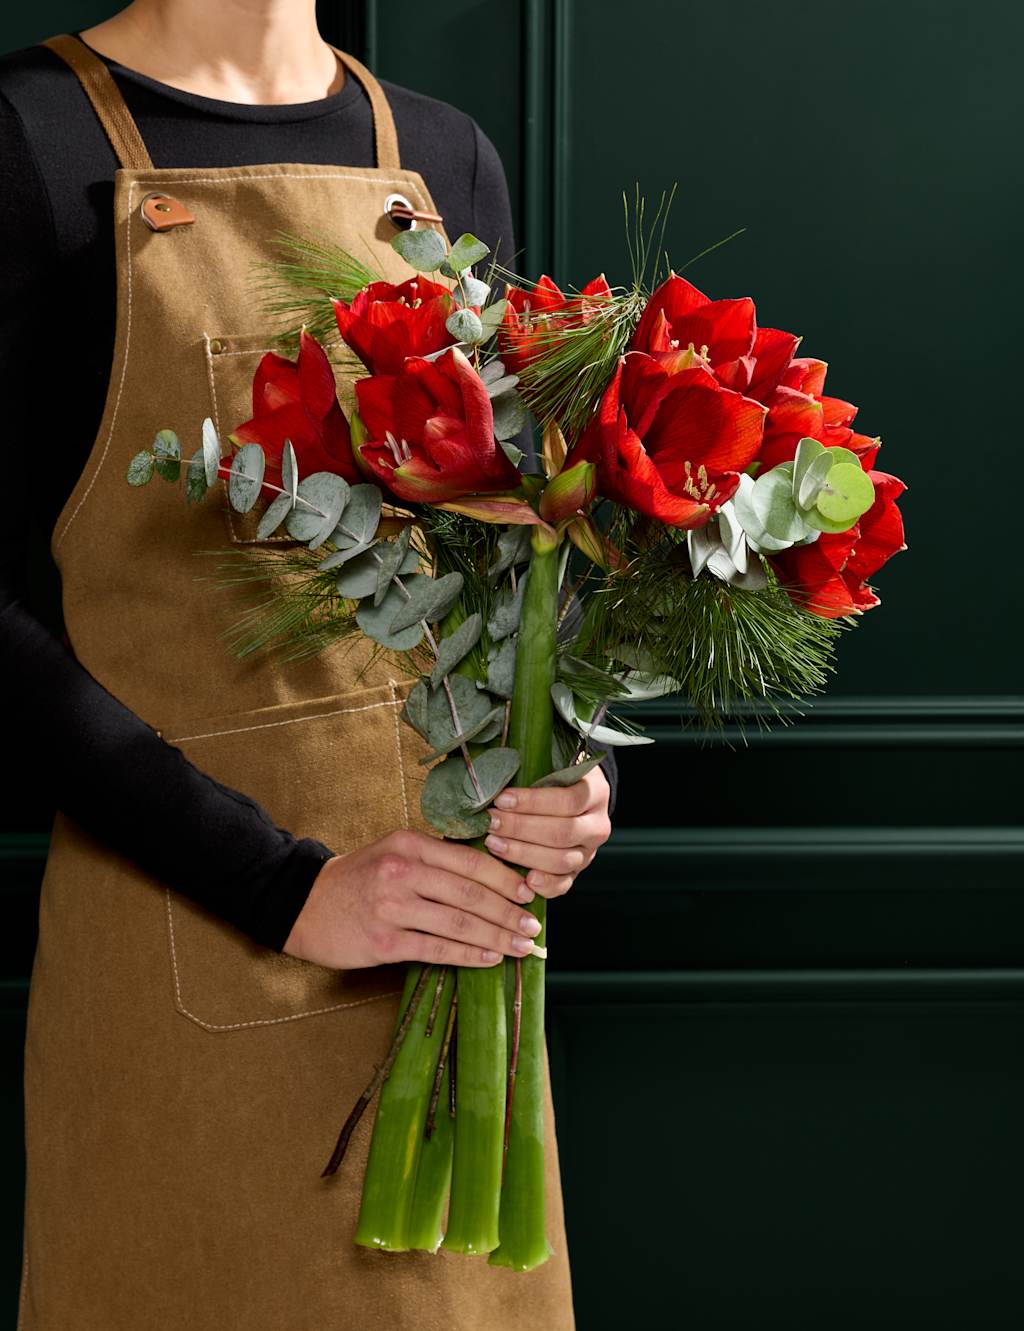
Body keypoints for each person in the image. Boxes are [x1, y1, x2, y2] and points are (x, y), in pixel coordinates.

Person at [0, 3, 613, 1327]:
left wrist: (560, 775)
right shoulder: (25, 140)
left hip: (456, 969)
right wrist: (285, 887)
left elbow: (503, 562)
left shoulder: (443, 160)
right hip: (186, 940)